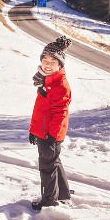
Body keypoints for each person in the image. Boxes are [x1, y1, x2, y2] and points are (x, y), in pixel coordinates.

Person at [29, 35, 72, 210]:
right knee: (54, 162)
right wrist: (34, 131)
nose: (47, 64)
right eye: (45, 59)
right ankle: (63, 194)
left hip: (50, 134)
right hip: (44, 131)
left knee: (47, 167)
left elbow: (60, 113)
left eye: (52, 61)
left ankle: (49, 200)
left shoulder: (59, 84)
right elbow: (41, 110)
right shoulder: (46, 80)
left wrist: (51, 136)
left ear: (60, 65)